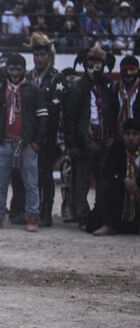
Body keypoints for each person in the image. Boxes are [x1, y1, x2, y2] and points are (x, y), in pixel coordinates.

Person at [0, 53, 48, 232]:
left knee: (31, 183)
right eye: (11, 68)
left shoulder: (33, 90)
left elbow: (43, 118)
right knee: (0, 182)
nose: (14, 72)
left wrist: (37, 142)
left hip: (26, 144)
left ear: (24, 69)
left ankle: (32, 218)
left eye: (18, 68)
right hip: (4, 142)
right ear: (6, 69)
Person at [64, 44, 116, 226]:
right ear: (85, 63)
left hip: (103, 140)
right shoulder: (77, 88)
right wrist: (72, 145)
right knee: (82, 181)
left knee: (103, 182)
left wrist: (111, 136)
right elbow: (69, 119)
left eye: (98, 62)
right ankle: (83, 216)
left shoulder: (108, 87)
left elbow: (114, 115)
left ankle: (100, 215)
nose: (95, 65)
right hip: (84, 139)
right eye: (91, 61)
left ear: (103, 64)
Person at [26, 33, 66, 227]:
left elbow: (56, 107)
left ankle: (45, 212)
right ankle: (31, 210)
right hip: (29, 133)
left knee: (45, 175)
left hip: (49, 133)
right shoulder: (28, 76)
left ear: (48, 56)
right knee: (28, 174)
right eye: (36, 55)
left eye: (42, 55)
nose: (39, 58)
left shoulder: (57, 77)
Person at [86, 118, 140, 236]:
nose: (131, 138)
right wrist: (123, 180)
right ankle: (110, 224)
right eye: (127, 134)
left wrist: (136, 182)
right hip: (120, 191)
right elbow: (108, 171)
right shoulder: (118, 148)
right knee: (107, 185)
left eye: (135, 134)